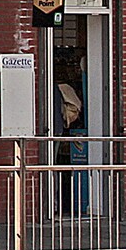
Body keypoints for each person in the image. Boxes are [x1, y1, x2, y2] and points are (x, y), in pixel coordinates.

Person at [56, 84, 87, 215]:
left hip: (55, 131)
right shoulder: (60, 90)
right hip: (57, 131)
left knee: (52, 168)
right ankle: (55, 204)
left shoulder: (56, 90)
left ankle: (55, 204)